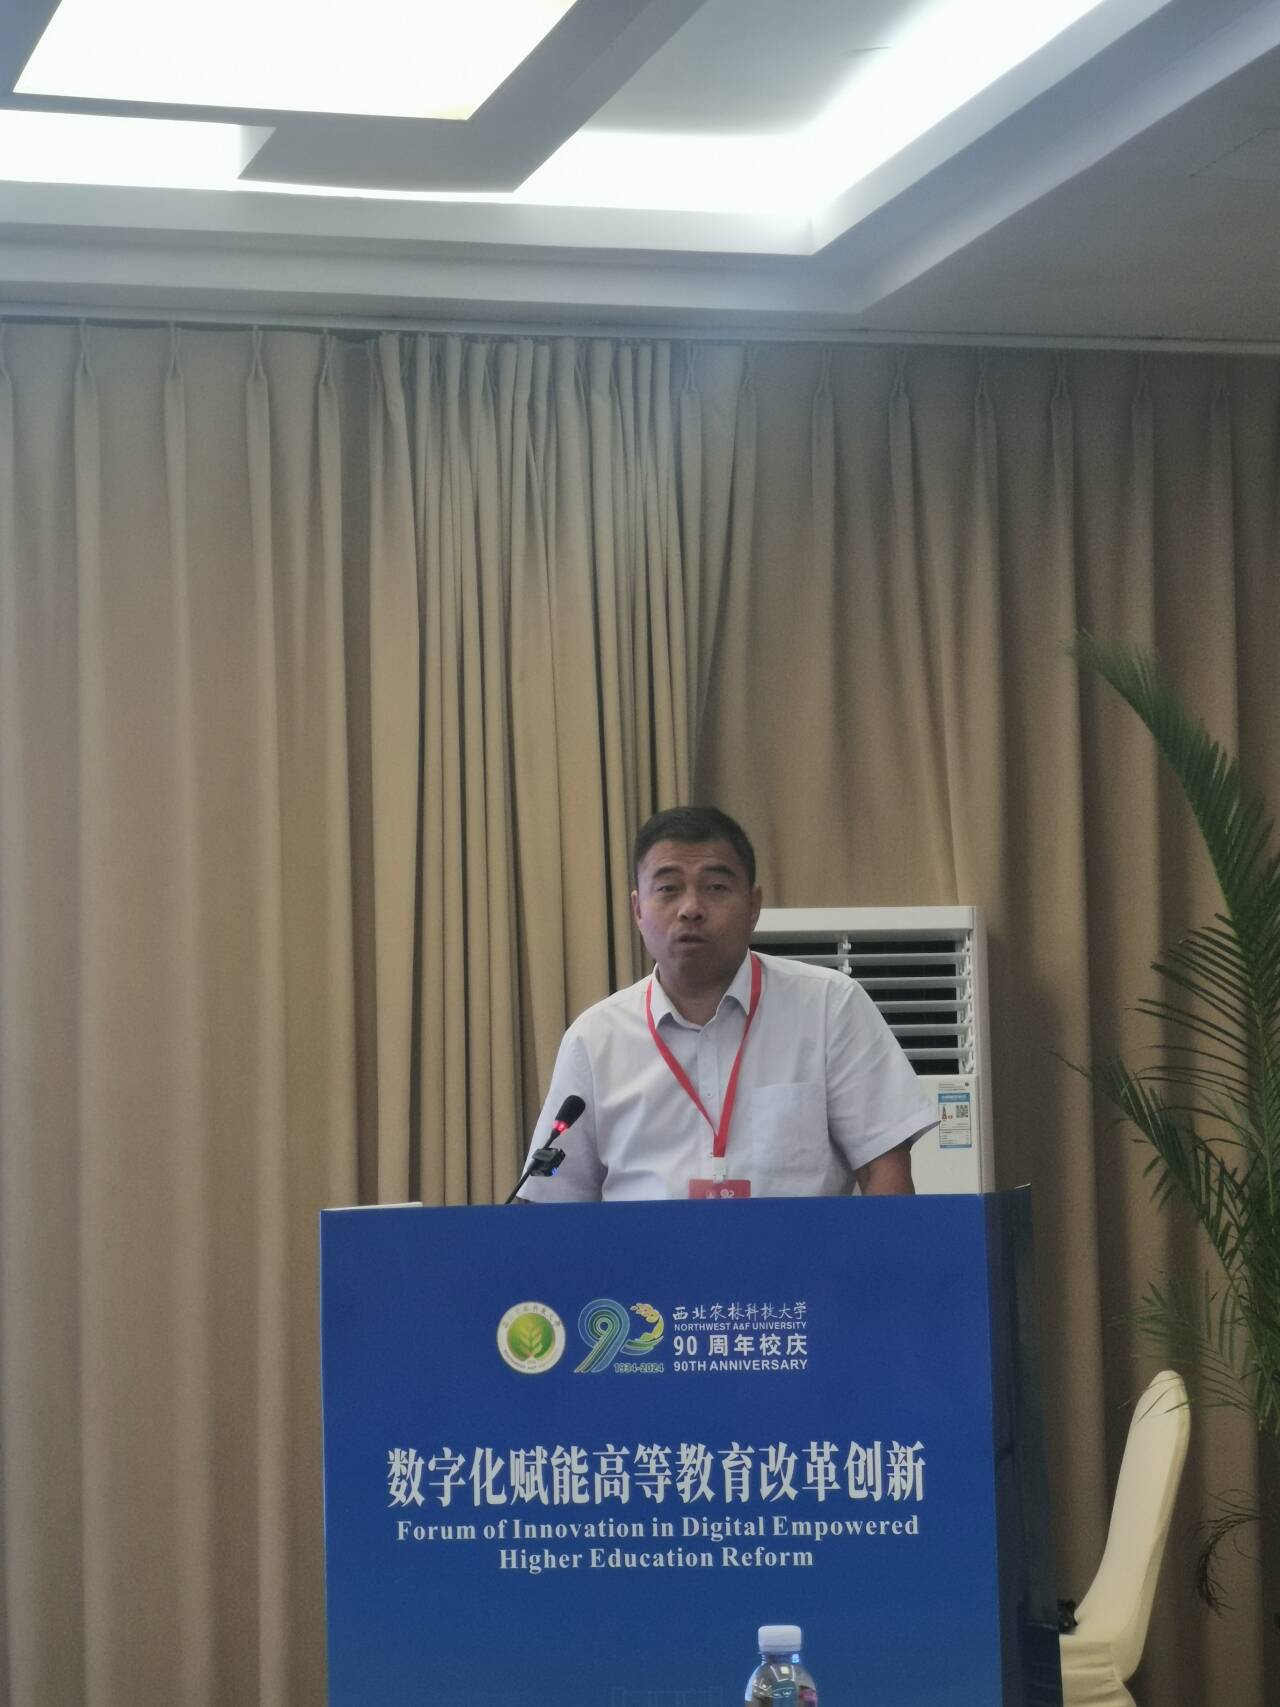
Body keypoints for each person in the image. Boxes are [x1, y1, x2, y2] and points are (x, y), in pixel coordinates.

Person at [518, 806, 935, 1202]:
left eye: (715, 888)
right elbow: (554, 1199)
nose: (690, 909)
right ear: (638, 909)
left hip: (802, 1256)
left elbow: (885, 1170)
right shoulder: (594, 1038)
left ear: (753, 906)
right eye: (668, 889)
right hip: (646, 1257)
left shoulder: (830, 1006)